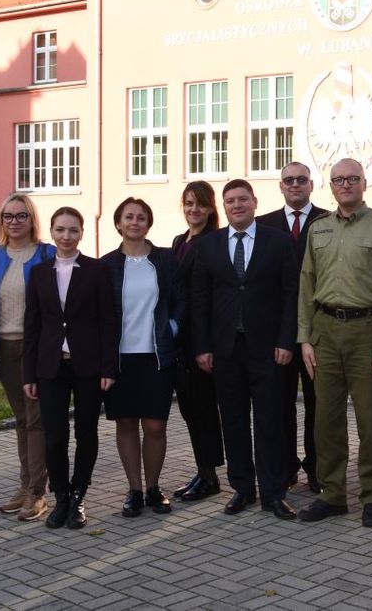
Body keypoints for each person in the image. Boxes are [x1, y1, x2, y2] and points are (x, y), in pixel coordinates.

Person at [297, 157, 372, 527]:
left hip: (368, 333)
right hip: (325, 332)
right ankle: (332, 494)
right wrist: (305, 338)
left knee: (371, 420)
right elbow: (306, 285)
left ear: (364, 183)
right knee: (325, 419)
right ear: (330, 185)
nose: (346, 184)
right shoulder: (318, 229)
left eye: (353, 178)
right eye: (339, 179)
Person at [191, 179, 300, 519]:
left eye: (242, 199)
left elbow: (290, 295)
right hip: (224, 349)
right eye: (230, 201)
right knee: (234, 419)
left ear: (254, 202)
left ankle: (274, 492)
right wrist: (202, 347)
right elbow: (200, 301)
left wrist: (286, 341)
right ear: (223, 207)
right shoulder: (208, 246)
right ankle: (242, 488)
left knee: (270, 420)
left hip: (267, 348)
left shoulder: (278, 242)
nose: (236, 205)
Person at [23, 206, 118, 530]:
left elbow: (108, 322)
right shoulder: (38, 273)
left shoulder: (96, 270)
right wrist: (29, 374)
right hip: (51, 367)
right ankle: (60, 496)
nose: (66, 236)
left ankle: (79, 495)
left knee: (86, 433)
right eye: (60, 230)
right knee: (54, 437)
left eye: (73, 230)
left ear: (81, 233)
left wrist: (108, 367)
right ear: (52, 232)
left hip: (88, 366)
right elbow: (32, 326)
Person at [101, 198, 185, 518]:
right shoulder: (106, 265)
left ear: (148, 224)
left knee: (155, 425)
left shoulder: (165, 260)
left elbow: (181, 300)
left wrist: (171, 328)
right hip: (121, 358)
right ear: (119, 223)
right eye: (129, 217)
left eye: (141, 218)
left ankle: (154, 487)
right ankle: (134, 489)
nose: (135, 222)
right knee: (125, 423)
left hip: (156, 356)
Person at [0, 192, 54, 523]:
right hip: (4, 349)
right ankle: (26, 486)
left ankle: (37, 493)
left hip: (36, 349)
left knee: (37, 420)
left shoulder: (47, 254)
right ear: (1, 221)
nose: (15, 222)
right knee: (22, 421)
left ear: (32, 219)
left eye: (21, 215)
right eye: (8, 216)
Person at [256, 162, 329, 494]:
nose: (295, 184)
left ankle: (317, 469)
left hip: (321, 330)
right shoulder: (262, 225)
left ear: (311, 185)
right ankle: (285, 469)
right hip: (278, 332)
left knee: (319, 403)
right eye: (289, 180)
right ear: (280, 186)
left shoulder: (329, 221)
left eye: (302, 180)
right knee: (279, 402)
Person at [170, 182, 226, 503]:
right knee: (190, 410)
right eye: (189, 203)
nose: (194, 209)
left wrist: (206, 345)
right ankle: (204, 471)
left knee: (204, 410)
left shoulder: (214, 242)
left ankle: (210, 476)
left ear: (210, 208)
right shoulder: (180, 241)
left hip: (202, 342)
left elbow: (212, 298)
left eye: (200, 204)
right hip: (181, 343)